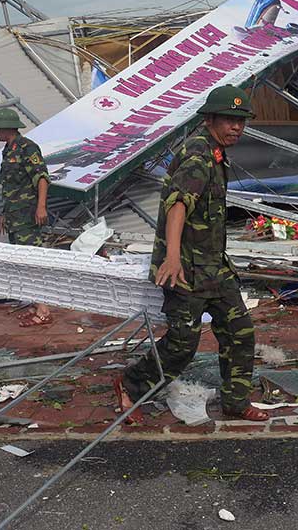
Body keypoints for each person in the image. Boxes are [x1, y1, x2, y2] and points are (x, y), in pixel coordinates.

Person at [115, 86, 268, 423]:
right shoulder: (198, 155)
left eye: (241, 121)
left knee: (240, 331)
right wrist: (172, 258)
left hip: (214, 266)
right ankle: (131, 384)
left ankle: (235, 402)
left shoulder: (215, 152)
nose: (236, 127)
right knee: (183, 345)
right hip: (185, 268)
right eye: (230, 120)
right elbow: (178, 205)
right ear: (210, 119)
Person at [0, 108, 52, 327]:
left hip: (28, 216)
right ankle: (35, 303)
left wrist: (41, 207)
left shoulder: (27, 148)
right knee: (22, 263)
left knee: (32, 262)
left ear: (7, 128)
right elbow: (11, 187)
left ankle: (44, 309)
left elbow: (41, 177)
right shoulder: (8, 150)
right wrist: (5, 213)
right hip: (15, 217)